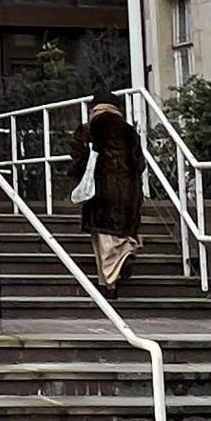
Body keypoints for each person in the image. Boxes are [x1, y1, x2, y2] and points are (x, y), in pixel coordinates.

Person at [73, 100, 146, 293]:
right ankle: (126, 253)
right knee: (121, 231)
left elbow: (78, 156)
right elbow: (140, 163)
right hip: (129, 190)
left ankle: (109, 283)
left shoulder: (89, 129)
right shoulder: (129, 131)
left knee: (103, 238)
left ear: (95, 109)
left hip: (101, 191)